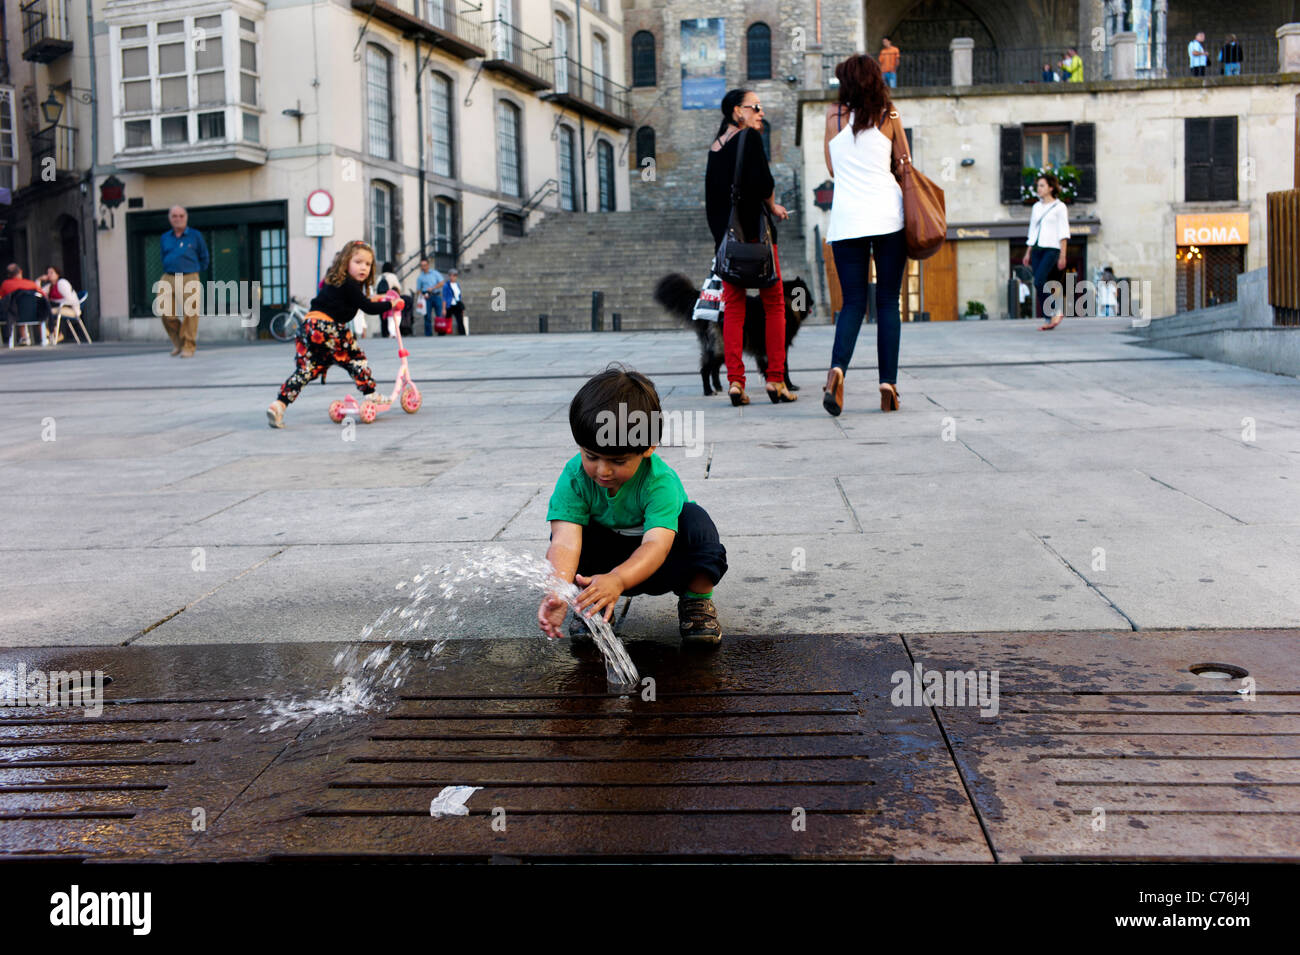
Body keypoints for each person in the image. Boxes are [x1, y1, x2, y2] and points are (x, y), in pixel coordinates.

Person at [537, 366, 728, 645]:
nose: (602, 471)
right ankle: (593, 604)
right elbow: (565, 544)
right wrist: (558, 591)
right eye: (591, 456)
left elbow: (656, 546)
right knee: (568, 534)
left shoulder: (658, 482)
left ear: (648, 447)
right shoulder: (575, 477)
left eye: (617, 461)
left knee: (697, 524)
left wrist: (619, 579)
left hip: (661, 565)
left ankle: (696, 601)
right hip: (602, 566)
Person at [821, 53, 907, 416]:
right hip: (888, 216)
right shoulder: (890, 114)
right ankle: (888, 384)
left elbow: (832, 167)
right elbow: (904, 162)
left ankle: (838, 370)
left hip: (847, 220)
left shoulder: (832, 116)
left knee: (854, 302)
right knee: (887, 302)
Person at [704, 88, 796, 405]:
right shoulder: (750, 139)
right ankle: (775, 380)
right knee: (775, 305)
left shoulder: (715, 148)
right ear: (735, 112)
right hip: (757, 237)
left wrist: (721, 239)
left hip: (728, 241)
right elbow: (764, 183)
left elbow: (713, 201)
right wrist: (773, 207)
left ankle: (735, 382)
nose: (761, 112)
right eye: (754, 106)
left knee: (733, 309)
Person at [265, 240, 396, 428]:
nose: (363, 268)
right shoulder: (350, 284)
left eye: (368, 264)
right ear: (345, 262)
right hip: (327, 327)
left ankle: (279, 404)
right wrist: (392, 304)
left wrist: (377, 299)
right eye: (358, 262)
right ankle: (371, 394)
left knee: (307, 370)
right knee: (355, 359)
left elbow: (361, 301)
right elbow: (367, 307)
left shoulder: (335, 282)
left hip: (308, 327)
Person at [157, 205, 209, 357]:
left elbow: (204, 257)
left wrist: (195, 271)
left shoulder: (195, 235)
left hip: (189, 276)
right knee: (166, 313)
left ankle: (188, 346)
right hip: (168, 276)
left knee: (190, 313)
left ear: (186, 217)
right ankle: (179, 342)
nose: (178, 219)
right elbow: (162, 256)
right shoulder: (165, 237)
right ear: (170, 219)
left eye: (181, 216)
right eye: (174, 216)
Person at [1021, 172, 1070, 330]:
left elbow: (1064, 232)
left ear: (1050, 188)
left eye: (1042, 186)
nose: (1038, 189)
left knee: (1039, 280)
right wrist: (1028, 252)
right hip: (1036, 248)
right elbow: (1032, 230)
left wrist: (1063, 255)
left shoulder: (1060, 207)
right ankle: (1049, 318)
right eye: (1037, 186)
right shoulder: (1036, 207)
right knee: (1039, 284)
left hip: (1052, 248)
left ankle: (1056, 311)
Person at [0, 264, 48, 346]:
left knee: (15, 307)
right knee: (36, 307)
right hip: (35, 314)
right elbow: (44, 297)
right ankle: (44, 337)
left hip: (14, 316)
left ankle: (24, 337)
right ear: (21, 271)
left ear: (8, 275)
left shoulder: (5, 284)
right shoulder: (31, 284)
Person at [41, 267, 81, 342]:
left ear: (57, 274)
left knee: (46, 312)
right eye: (47, 273)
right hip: (59, 307)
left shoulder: (62, 283)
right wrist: (39, 280)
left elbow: (70, 300)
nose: (49, 275)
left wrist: (54, 301)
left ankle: (55, 335)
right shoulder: (50, 286)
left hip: (71, 309)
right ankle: (52, 335)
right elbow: (39, 292)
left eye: (51, 273)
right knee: (41, 311)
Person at [414, 258, 444, 336]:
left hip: (436, 295)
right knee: (427, 316)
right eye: (422, 266)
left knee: (439, 315)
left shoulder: (435, 273)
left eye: (425, 265)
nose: (423, 267)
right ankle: (428, 334)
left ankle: (441, 332)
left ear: (428, 265)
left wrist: (433, 288)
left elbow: (442, 283)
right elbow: (418, 289)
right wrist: (422, 295)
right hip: (426, 297)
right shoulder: (420, 277)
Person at [375, 261, 402, 338]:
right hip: (390, 299)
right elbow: (398, 288)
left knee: (382, 317)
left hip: (380, 299)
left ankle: (384, 333)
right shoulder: (393, 276)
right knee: (391, 316)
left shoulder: (380, 277)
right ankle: (392, 333)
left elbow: (376, 289)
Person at [443, 267, 466, 335]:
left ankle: (462, 333)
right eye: (452, 275)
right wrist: (444, 308)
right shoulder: (446, 285)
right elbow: (444, 297)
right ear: (449, 276)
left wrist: (461, 307)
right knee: (447, 320)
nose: (453, 277)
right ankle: (442, 334)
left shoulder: (457, 285)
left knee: (460, 320)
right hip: (449, 305)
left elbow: (459, 296)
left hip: (457, 305)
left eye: (455, 275)